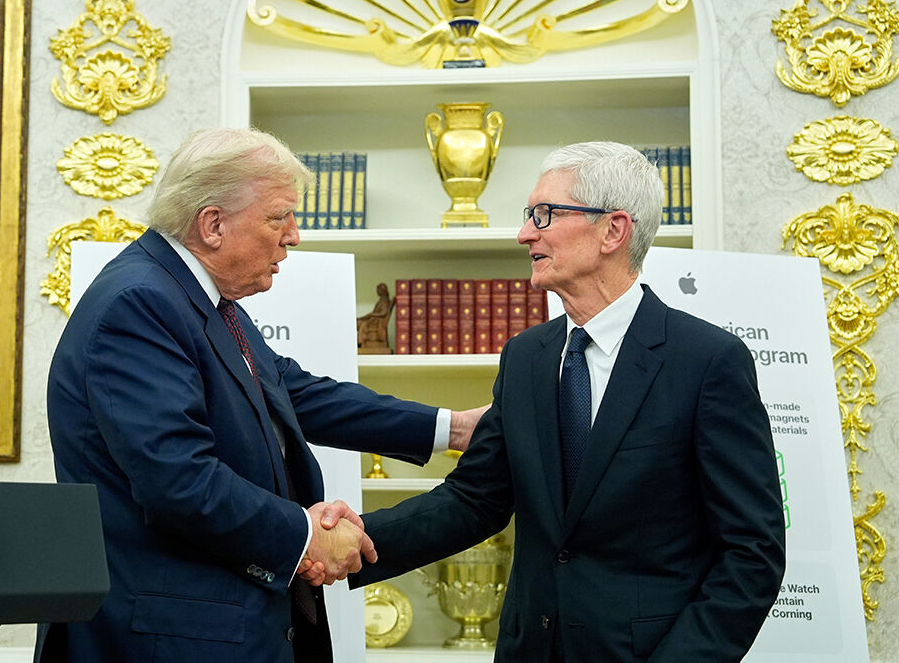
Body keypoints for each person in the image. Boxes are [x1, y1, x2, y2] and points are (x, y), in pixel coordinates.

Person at [320, 141, 786, 662]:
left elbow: (752, 554)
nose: (525, 234)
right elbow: (474, 500)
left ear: (613, 230)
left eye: (544, 215)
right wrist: (352, 537)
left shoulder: (706, 361)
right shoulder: (526, 357)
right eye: (528, 216)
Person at [41, 127, 480, 663]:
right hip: (169, 639)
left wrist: (453, 428)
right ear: (213, 224)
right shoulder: (140, 303)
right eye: (279, 217)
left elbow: (296, 394)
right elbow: (179, 479)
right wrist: (307, 536)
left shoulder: (195, 297)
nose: (294, 236)